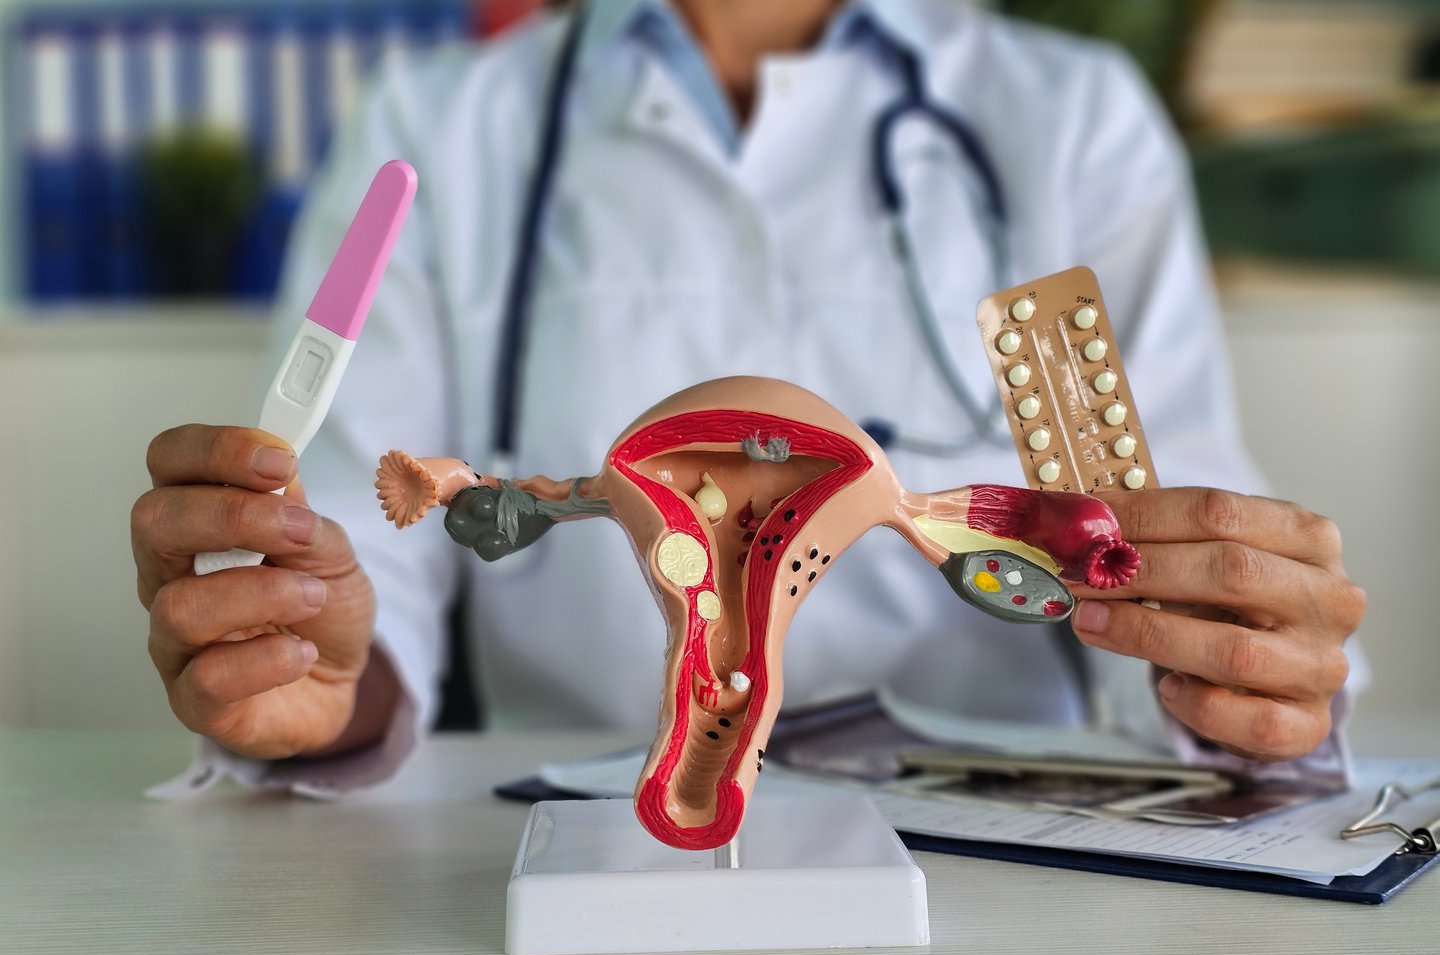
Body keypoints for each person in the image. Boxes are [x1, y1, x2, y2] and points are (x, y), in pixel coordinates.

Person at [132, 0, 1365, 796]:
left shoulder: (1071, 120)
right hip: (575, 838)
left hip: (1011, 864)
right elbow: (362, 563)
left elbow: (1184, 563)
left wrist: (1239, 676)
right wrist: (316, 673)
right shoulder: (445, 125)